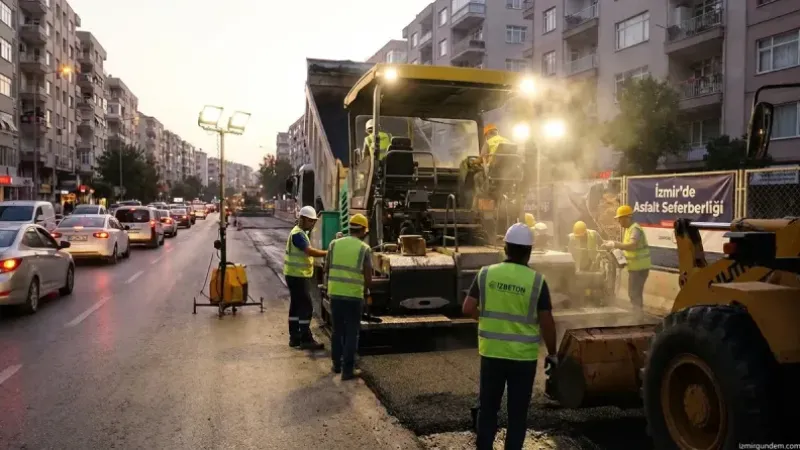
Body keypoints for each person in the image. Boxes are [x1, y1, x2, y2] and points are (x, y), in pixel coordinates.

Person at [462, 223, 558, 450]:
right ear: (529, 252)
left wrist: (485, 319)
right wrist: (553, 353)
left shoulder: (486, 274)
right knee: (517, 414)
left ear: (505, 248)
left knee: (488, 409)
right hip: (523, 359)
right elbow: (547, 322)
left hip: (492, 354)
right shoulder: (537, 281)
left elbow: (467, 308)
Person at [325, 214, 372, 380]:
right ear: (364, 230)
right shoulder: (364, 248)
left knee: (337, 330)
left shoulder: (334, 244)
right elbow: (368, 277)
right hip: (353, 296)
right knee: (352, 332)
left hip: (335, 294)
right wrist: (367, 293)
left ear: (350, 228)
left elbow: (326, 268)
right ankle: (348, 371)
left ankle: (336, 365)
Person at [284, 205, 328, 350]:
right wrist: (327, 252)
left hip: (294, 274)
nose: (312, 224)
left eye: (313, 221)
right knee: (306, 306)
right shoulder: (298, 234)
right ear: (302, 219)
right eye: (310, 221)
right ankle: (305, 339)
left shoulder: (298, 232)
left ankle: (294, 338)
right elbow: (309, 251)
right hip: (298, 276)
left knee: (296, 306)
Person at [601, 205, 651, 313]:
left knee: (634, 293)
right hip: (635, 267)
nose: (619, 222)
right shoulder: (629, 229)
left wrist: (615, 244)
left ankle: (637, 315)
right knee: (634, 293)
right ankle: (637, 314)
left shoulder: (635, 229)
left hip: (640, 268)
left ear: (627, 218)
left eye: (620, 219)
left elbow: (632, 245)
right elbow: (628, 248)